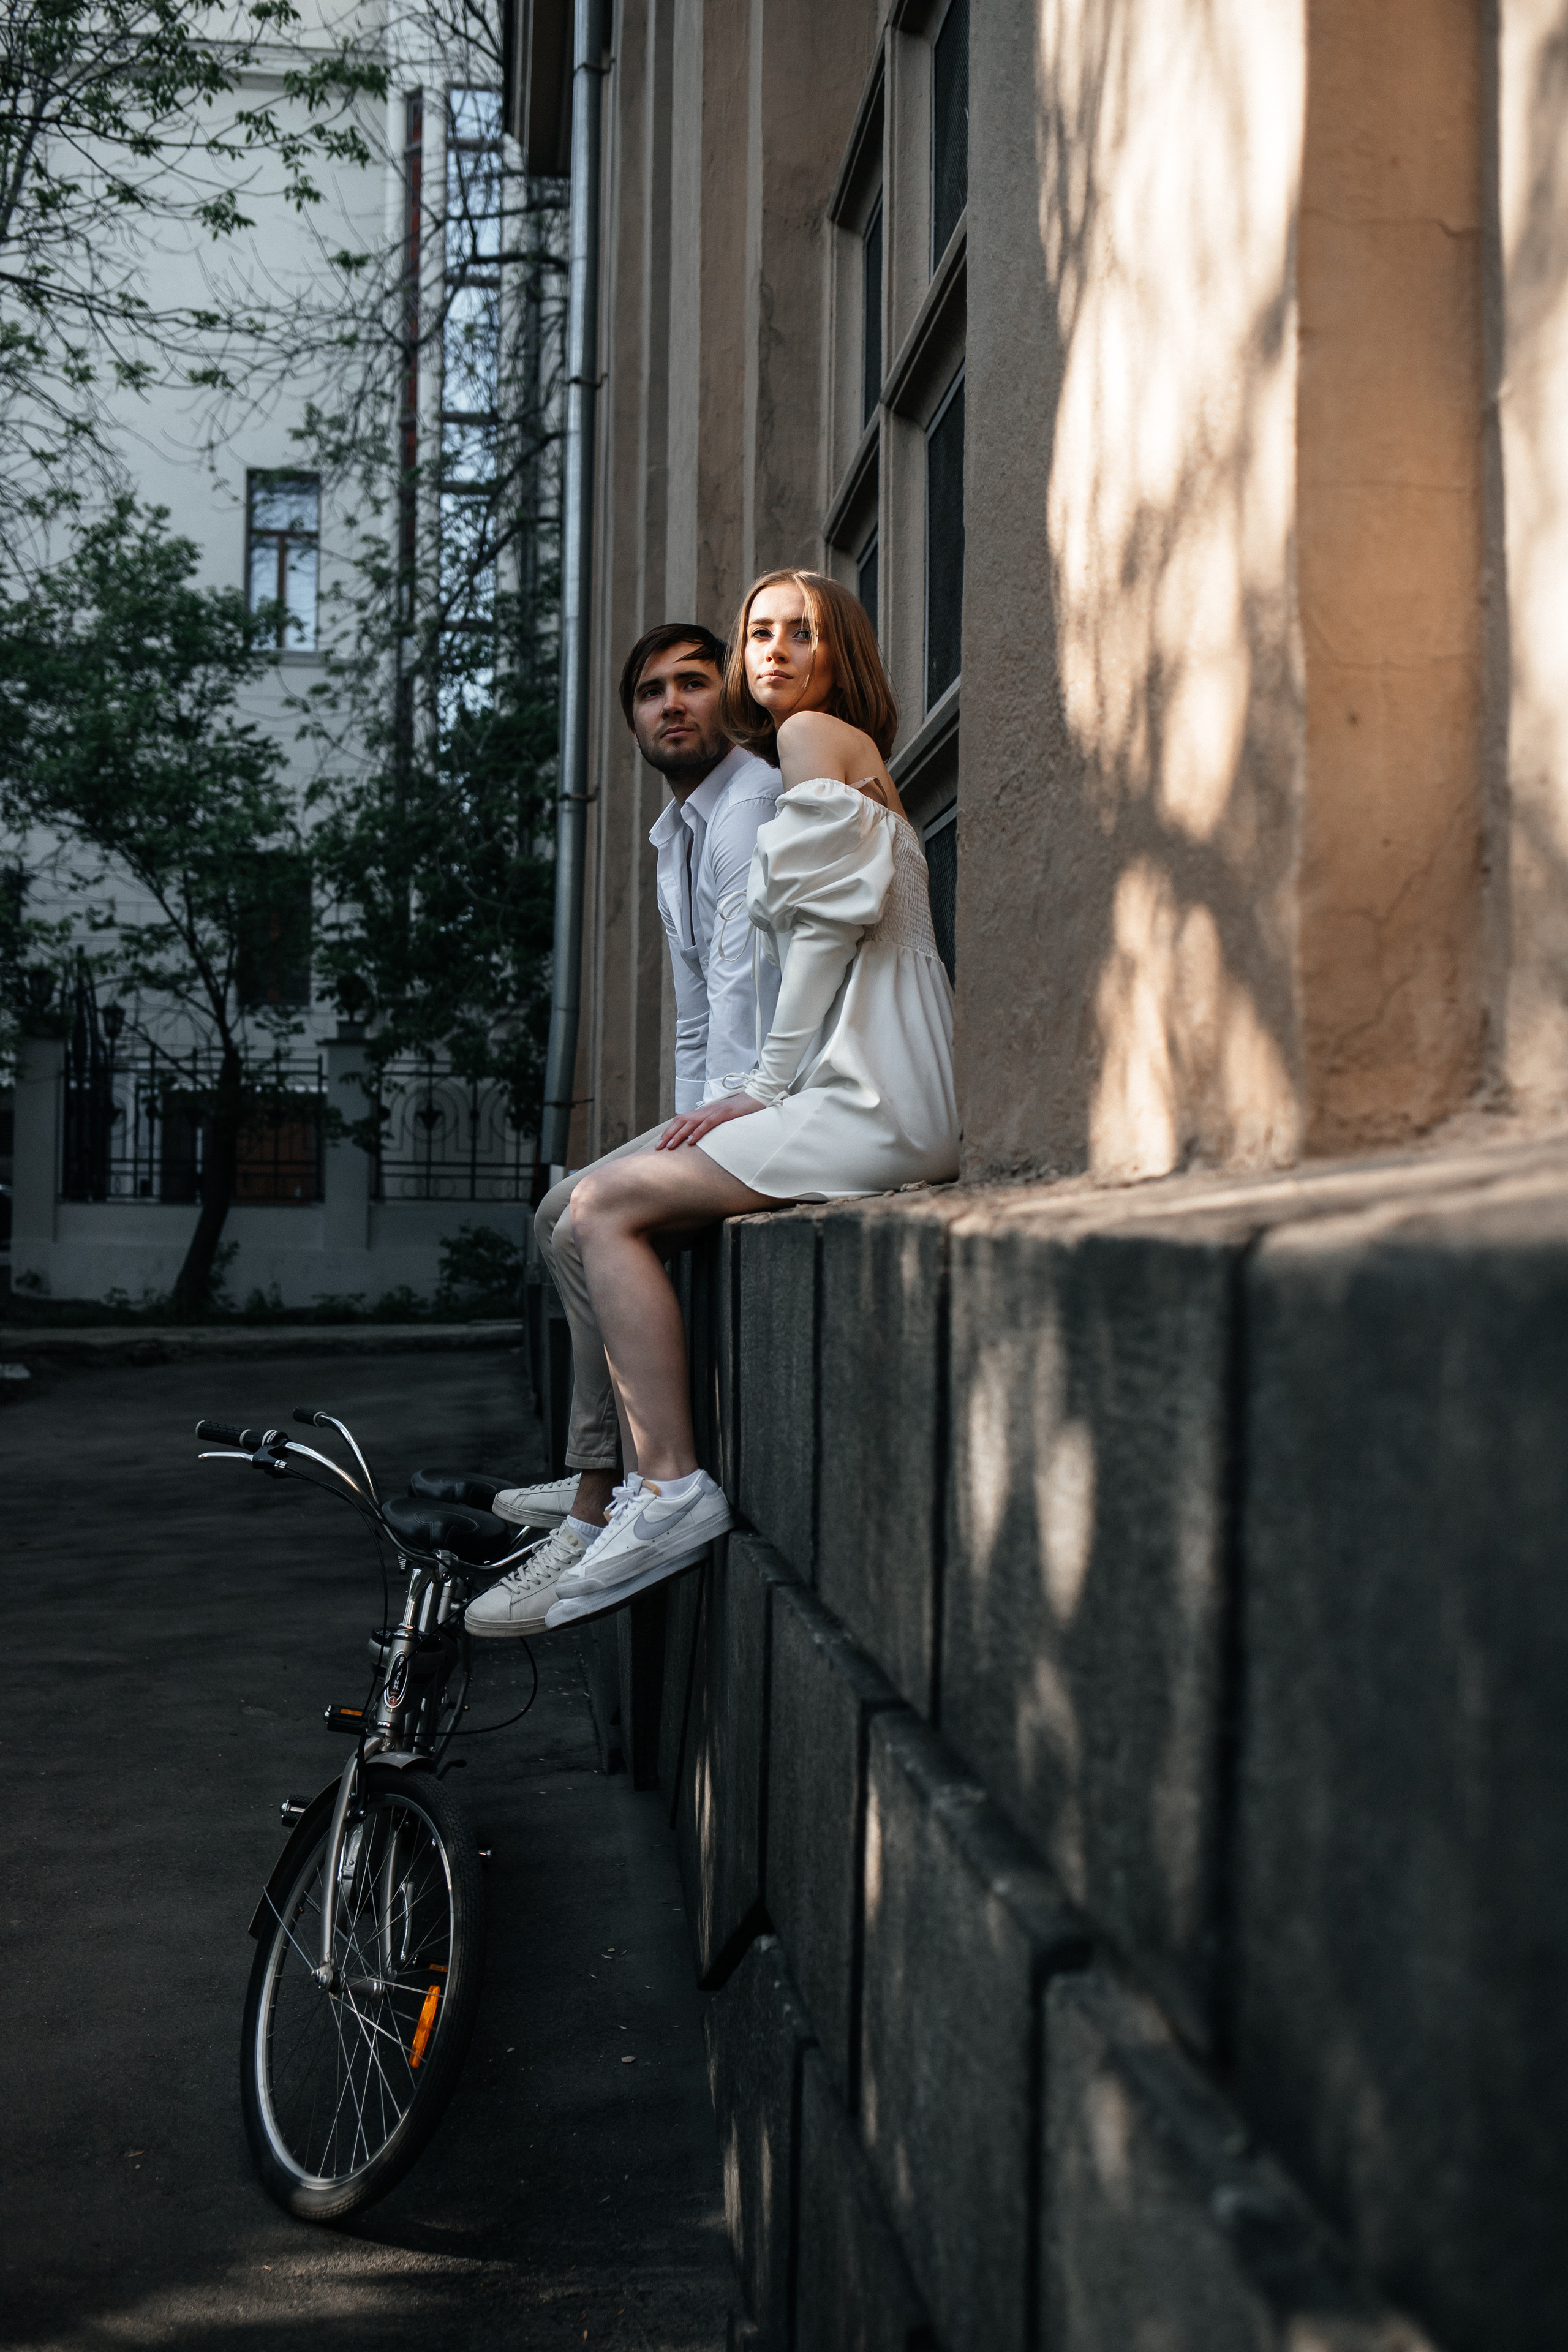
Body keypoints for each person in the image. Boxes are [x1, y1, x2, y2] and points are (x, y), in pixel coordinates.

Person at [538, 568, 959, 1628]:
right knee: (592, 1206)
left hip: (875, 1090)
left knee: (600, 1206)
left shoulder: (815, 737)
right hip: (868, 1078)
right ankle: (632, 1483)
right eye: (757, 632)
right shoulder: (814, 752)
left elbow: (820, 937)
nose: (771, 651)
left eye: (799, 631)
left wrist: (759, 1090)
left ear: (838, 648)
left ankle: (669, 1489)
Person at [465, 622, 782, 1637]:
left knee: (581, 1216)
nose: (674, 704)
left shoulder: (751, 804)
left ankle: (610, 1498)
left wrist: (719, 1117)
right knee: (556, 1208)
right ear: (634, 719)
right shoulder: (674, 834)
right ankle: (595, 1481)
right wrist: (682, 1119)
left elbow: (742, 981)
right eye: (652, 692)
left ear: (726, 700)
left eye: (695, 683)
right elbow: (693, 1009)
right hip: (729, 1090)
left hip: (784, 1093)